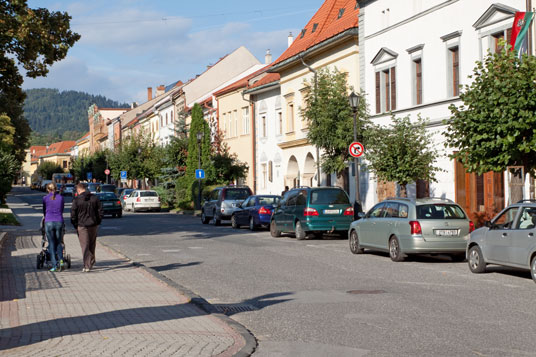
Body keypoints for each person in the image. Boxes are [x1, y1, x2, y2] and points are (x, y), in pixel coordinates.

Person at [71, 182, 103, 272]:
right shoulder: (95, 198)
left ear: (79, 190)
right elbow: (100, 211)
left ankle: (87, 265)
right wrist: (98, 222)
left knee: (85, 245)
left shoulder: (77, 200)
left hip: (82, 225)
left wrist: (75, 224)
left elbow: (73, 214)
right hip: (93, 224)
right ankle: (91, 261)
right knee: (92, 244)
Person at [43, 183, 65, 272]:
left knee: (51, 244)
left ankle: (55, 265)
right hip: (59, 221)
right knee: (59, 242)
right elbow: (62, 209)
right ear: (56, 189)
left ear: (48, 190)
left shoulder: (45, 198)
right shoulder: (61, 198)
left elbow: (44, 210)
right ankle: (61, 260)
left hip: (48, 222)